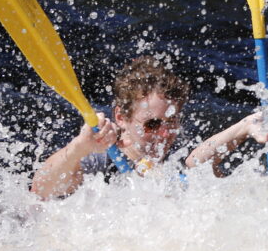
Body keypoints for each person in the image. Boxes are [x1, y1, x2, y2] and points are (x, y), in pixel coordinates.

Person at [30, 55, 192, 199]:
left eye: (172, 121)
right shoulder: (99, 161)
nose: (164, 134)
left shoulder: (177, 159)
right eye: (152, 124)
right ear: (121, 118)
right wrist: (78, 147)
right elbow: (40, 190)